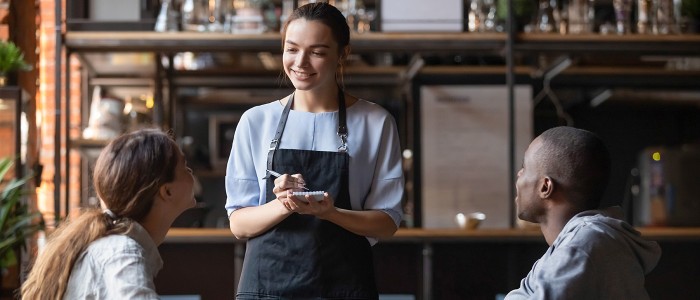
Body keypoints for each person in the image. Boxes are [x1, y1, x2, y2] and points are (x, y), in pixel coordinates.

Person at [225, 2, 404, 299]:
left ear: (342, 54)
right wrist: (283, 203)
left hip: (345, 287)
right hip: (267, 288)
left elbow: (386, 223)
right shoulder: (255, 122)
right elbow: (239, 224)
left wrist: (331, 213)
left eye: (317, 52)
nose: (301, 62)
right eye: (292, 49)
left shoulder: (376, 122)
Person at [21, 128, 196, 299]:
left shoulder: (115, 245)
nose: (191, 172)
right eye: (185, 167)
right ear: (167, 191)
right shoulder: (124, 251)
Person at [506, 126, 661, 299]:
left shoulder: (583, 245)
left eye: (524, 168)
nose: (519, 175)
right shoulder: (571, 246)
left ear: (545, 187)